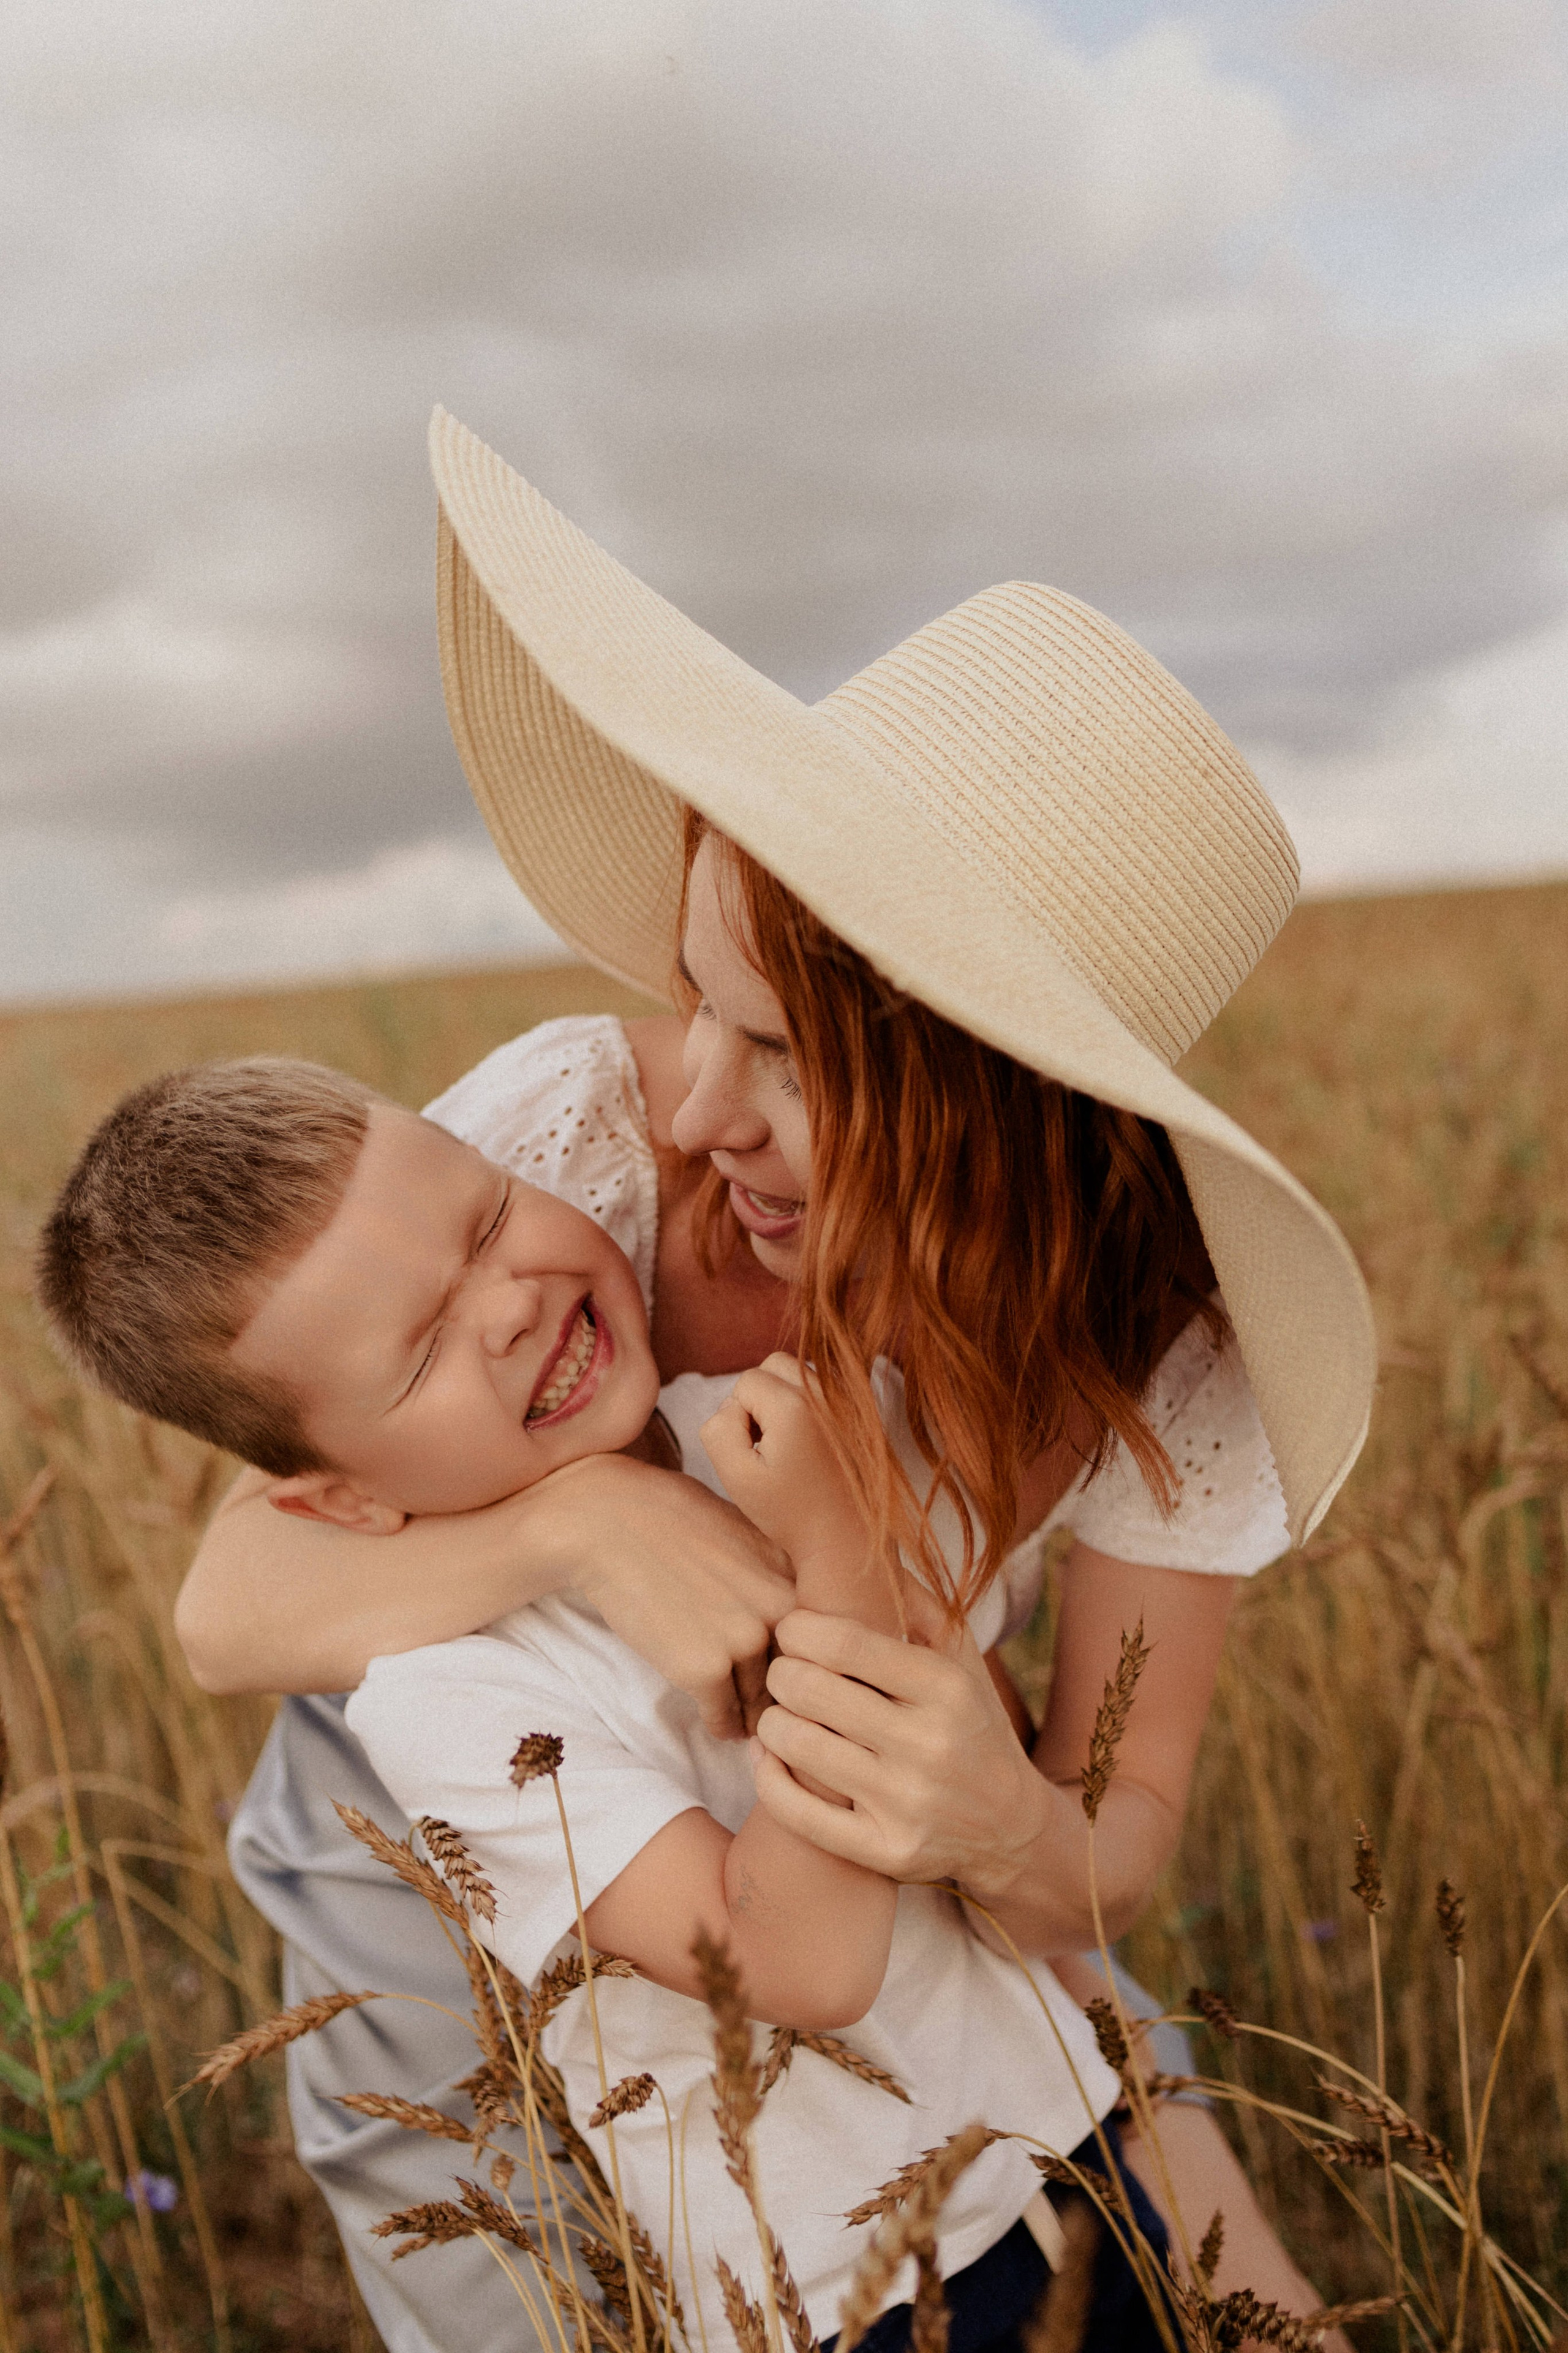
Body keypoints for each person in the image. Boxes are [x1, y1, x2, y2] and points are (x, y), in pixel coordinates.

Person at [171, 408, 1376, 2350]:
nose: (696, 1101)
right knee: (497, 2293)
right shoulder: (570, 1146)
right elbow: (233, 1608)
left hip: (836, 1807)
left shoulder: (1158, 1344)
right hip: (468, 1770)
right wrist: (591, 1514)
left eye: (783, 1049)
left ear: (999, 1097)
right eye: (693, 1002)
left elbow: (1103, 1849)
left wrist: (1001, 1824)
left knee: (1179, 2219)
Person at [35, 1052, 1166, 2344]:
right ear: (338, 1502)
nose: (507, 1307)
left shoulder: (736, 1421)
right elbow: (797, 1960)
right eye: (416, 1355)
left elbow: (996, 1733)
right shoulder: (446, 1700)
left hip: (1077, 2145)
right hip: (874, 2290)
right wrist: (845, 1549)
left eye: (486, 1218)